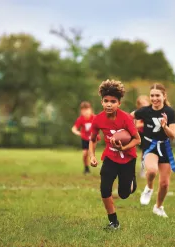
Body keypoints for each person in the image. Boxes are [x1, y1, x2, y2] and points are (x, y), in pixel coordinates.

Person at [89, 79, 141, 230]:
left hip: (127, 159)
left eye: (113, 101)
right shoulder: (97, 119)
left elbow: (137, 139)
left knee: (124, 194)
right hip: (110, 158)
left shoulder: (126, 118)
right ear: (102, 102)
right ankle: (114, 222)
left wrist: (123, 147)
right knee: (105, 189)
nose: (109, 104)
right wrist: (92, 156)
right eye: (106, 101)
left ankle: (131, 181)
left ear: (119, 103)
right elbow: (92, 140)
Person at [131, 83, 175, 218]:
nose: (155, 98)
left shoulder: (170, 112)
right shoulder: (145, 111)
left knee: (164, 183)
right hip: (150, 146)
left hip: (165, 148)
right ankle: (149, 187)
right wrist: (126, 131)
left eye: (157, 95)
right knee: (151, 171)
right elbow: (129, 117)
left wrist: (165, 127)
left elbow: (173, 135)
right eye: (152, 95)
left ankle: (158, 207)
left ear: (164, 96)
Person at [72, 101, 97, 174]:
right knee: (84, 154)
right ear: (81, 111)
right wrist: (78, 133)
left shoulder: (95, 118)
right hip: (85, 139)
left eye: (87, 110)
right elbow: (74, 128)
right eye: (83, 110)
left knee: (90, 153)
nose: (86, 112)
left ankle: (93, 160)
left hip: (93, 139)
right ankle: (86, 168)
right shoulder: (81, 119)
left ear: (91, 110)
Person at [134, 95, 150, 178]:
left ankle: (143, 169)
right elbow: (137, 125)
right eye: (141, 104)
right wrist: (146, 123)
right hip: (139, 135)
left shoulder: (151, 112)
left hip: (148, 135)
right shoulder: (138, 113)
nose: (143, 105)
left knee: (146, 153)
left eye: (144, 103)